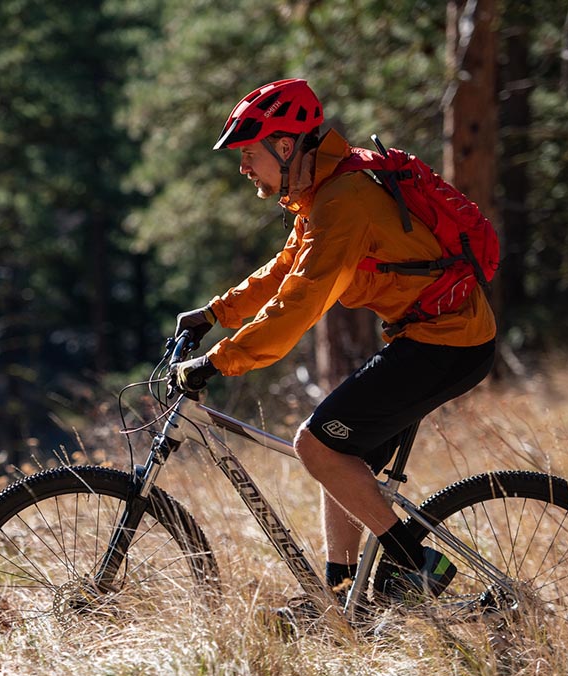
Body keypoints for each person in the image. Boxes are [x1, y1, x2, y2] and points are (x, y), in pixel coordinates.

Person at [171, 78, 496, 606]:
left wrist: (220, 360)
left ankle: (420, 564)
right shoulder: (324, 191)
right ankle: (344, 600)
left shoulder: (344, 201)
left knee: (316, 445)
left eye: (249, 153)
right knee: (340, 456)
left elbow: (300, 301)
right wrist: (216, 313)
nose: (243, 168)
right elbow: (285, 269)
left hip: (448, 342)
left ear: (284, 146)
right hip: (428, 335)